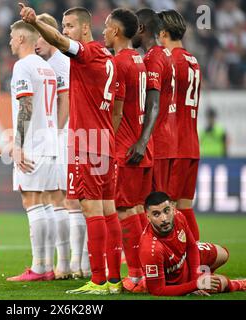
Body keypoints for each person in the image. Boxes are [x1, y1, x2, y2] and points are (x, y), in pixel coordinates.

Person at [20, 3, 123, 295]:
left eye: (69, 25)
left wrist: (35, 23)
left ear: (84, 28)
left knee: (90, 210)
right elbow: (117, 109)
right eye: (63, 26)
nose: (65, 31)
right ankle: (114, 280)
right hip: (104, 140)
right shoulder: (109, 57)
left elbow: (59, 42)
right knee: (108, 210)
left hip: (86, 141)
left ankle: (100, 280)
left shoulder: (87, 52)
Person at [103, 8, 155, 294]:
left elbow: (117, 112)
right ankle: (150, 270)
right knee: (137, 210)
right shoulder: (139, 59)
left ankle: (136, 275)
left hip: (124, 147)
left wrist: (107, 144)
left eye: (107, 27)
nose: (103, 31)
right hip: (142, 147)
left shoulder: (120, 63)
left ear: (117, 32)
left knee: (124, 210)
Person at [35, 13, 91, 280]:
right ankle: (75, 263)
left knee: (67, 200)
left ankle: (73, 264)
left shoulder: (59, 63)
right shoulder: (56, 62)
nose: (37, 43)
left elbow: (66, 99)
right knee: (67, 200)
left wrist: (53, 133)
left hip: (67, 136)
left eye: (40, 36)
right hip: (71, 135)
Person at [6, 20, 59, 282]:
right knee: (45, 204)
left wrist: (17, 145)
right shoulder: (46, 67)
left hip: (33, 145)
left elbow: (25, 106)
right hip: (50, 142)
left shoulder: (23, 66)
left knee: (32, 203)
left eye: (13, 37)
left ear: (23, 39)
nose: (10, 42)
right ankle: (47, 266)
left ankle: (40, 268)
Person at [139, 191, 246, 296]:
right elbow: (158, 291)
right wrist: (195, 285)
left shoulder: (178, 216)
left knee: (223, 254)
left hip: (186, 261)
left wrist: (197, 277)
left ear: (172, 207)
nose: (164, 218)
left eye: (166, 211)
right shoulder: (150, 249)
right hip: (175, 280)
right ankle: (239, 284)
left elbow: (192, 246)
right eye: (156, 214)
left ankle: (205, 276)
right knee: (221, 283)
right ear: (148, 217)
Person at [158, 10, 201, 241]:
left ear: (163, 33)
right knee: (184, 206)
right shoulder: (193, 61)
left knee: (167, 208)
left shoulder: (171, 61)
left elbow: (166, 106)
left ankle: (178, 260)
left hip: (173, 145)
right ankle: (197, 260)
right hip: (191, 143)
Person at [133, 9, 177, 194]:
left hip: (157, 143)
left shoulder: (154, 58)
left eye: (132, 28)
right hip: (165, 140)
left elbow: (154, 104)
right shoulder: (164, 54)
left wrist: (142, 141)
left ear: (141, 28)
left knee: (154, 207)